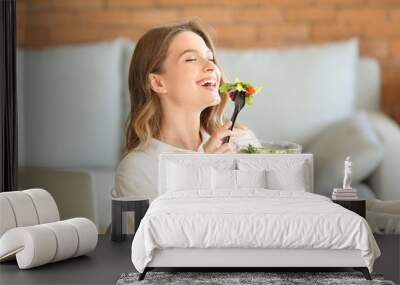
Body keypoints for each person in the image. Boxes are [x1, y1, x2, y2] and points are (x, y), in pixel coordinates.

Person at [114, 20, 260, 202]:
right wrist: (202, 174)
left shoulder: (241, 141)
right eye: (191, 59)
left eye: (211, 58)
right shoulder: (139, 168)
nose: (212, 67)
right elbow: (159, 230)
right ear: (158, 82)